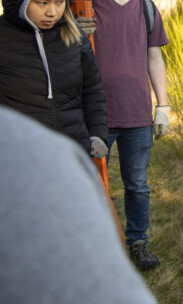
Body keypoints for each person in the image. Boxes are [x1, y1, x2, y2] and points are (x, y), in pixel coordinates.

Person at [0, 106, 158, 304]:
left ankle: (137, 243)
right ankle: (103, 255)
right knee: (97, 193)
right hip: (73, 128)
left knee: (136, 185)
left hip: (124, 119)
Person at [89, 0, 170, 271]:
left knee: (137, 184)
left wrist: (162, 105)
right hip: (94, 114)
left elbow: (154, 58)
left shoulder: (147, 8)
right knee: (91, 185)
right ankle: (95, 246)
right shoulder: (84, 1)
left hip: (137, 113)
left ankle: (138, 243)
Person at [0, 0, 108, 159]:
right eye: (43, 2)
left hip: (71, 153)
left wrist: (97, 134)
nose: (53, 12)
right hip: (16, 157)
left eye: (60, 1)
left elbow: (93, 88)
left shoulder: (74, 35)